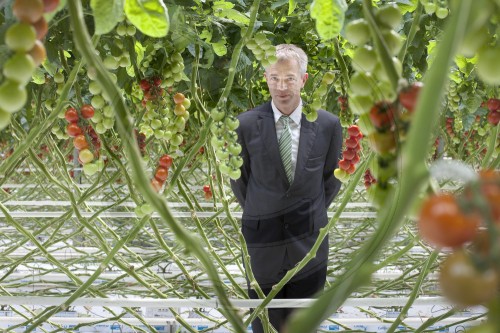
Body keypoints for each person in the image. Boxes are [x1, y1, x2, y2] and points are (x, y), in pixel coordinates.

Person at [230, 44, 343, 333]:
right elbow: (240, 181)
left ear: (303, 80)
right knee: (264, 323)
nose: (281, 86)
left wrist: (306, 211)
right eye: (274, 78)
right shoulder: (244, 125)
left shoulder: (328, 125)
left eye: (289, 78)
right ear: (265, 78)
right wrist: (264, 212)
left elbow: (332, 178)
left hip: (309, 241)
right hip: (262, 241)